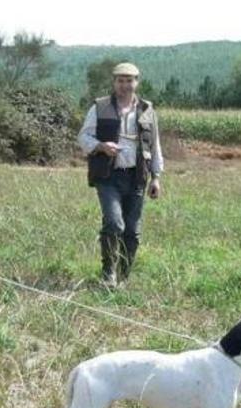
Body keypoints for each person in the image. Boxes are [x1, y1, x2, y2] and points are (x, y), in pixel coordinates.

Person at [78, 62, 163, 287]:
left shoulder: (147, 110)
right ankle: (108, 274)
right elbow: (83, 138)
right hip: (108, 176)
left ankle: (124, 276)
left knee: (133, 232)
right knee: (115, 224)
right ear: (114, 82)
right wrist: (101, 146)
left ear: (137, 82)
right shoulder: (99, 107)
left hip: (137, 177)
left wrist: (156, 177)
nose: (125, 85)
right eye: (120, 80)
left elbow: (154, 145)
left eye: (129, 80)